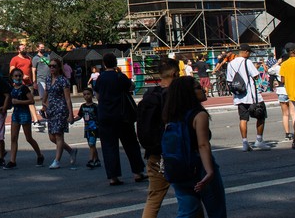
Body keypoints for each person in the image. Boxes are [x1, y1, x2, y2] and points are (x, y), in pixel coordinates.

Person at [162, 76, 226, 218]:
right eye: (197, 87)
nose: (203, 89)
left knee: (188, 211)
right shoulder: (199, 115)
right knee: (216, 211)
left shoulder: (171, 115)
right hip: (200, 167)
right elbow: (203, 145)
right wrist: (209, 171)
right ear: (188, 93)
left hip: (178, 168)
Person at [93, 52, 146, 186]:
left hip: (105, 115)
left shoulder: (100, 78)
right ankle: (137, 172)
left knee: (109, 146)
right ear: (115, 63)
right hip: (122, 116)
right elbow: (132, 87)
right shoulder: (120, 76)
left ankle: (113, 176)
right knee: (131, 144)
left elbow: (97, 96)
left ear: (104, 64)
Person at [137, 58, 179, 218]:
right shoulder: (173, 96)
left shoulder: (150, 95)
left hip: (153, 153)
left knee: (154, 198)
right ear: (174, 74)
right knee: (188, 195)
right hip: (174, 153)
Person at [226, 43, 271, 151]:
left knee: (243, 119)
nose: (249, 54)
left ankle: (245, 142)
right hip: (251, 96)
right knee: (261, 115)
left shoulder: (230, 64)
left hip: (239, 96)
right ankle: (259, 140)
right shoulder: (247, 62)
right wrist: (256, 68)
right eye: (249, 52)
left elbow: (229, 80)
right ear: (245, 52)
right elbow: (256, 76)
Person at [2, 68, 43, 168]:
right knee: (13, 138)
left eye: (20, 76)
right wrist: (3, 107)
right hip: (15, 114)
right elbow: (9, 102)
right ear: (12, 77)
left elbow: (31, 101)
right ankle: (12, 161)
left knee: (28, 138)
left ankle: (40, 155)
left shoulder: (24, 88)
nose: (18, 78)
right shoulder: (11, 89)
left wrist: (19, 102)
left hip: (24, 113)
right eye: (16, 76)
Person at [40, 57, 75, 169]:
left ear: (59, 67)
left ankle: (57, 161)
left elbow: (68, 98)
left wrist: (71, 114)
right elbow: (46, 93)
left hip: (61, 110)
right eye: (50, 66)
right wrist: (43, 105)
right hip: (51, 110)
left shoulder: (63, 80)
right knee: (52, 137)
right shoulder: (48, 79)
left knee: (59, 135)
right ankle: (71, 151)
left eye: (54, 66)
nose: (51, 68)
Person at [9, 44, 40, 124]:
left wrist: (34, 81)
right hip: (19, 84)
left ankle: (35, 119)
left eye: (25, 48)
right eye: (22, 49)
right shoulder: (14, 59)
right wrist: (21, 76)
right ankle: (19, 118)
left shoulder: (29, 58)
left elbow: (32, 70)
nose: (24, 49)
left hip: (29, 83)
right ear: (18, 50)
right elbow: (11, 71)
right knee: (19, 102)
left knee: (30, 100)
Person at [70, 87, 100, 169]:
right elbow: (79, 116)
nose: (86, 96)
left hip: (94, 128)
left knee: (91, 143)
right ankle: (97, 160)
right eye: (85, 94)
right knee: (91, 145)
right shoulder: (83, 106)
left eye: (88, 94)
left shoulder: (95, 106)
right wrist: (72, 119)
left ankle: (91, 160)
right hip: (87, 128)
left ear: (92, 95)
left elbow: (100, 117)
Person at [267, 52, 293, 140]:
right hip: (291, 90)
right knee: (293, 113)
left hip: (281, 90)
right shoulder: (291, 66)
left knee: (285, 114)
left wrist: (277, 63)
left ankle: (287, 134)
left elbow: (269, 71)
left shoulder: (278, 68)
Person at [31, 43, 51, 132]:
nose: (43, 48)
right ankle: (47, 112)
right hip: (41, 79)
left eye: (43, 47)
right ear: (37, 48)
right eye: (41, 47)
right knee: (44, 97)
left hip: (49, 79)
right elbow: (33, 70)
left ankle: (43, 110)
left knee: (49, 97)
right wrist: (34, 81)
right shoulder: (35, 58)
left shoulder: (48, 56)